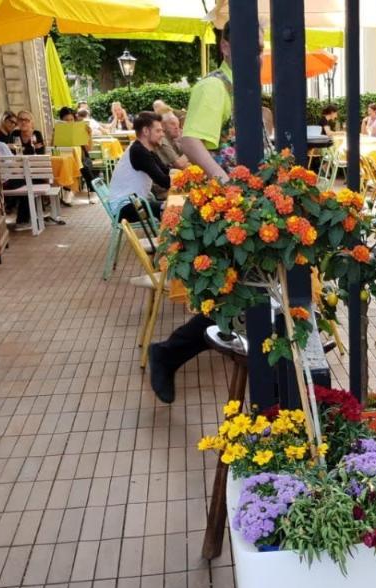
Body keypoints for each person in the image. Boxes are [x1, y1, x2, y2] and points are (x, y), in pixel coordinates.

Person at [149, 22, 261, 404]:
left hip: (241, 205)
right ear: (226, 46)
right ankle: (168, 353)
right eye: (250, 44)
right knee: (239, 292)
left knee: (244, 292)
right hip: (225, 207)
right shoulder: (215, 86)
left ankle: (169, 353)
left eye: (260, 46)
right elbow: (191, 140)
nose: (257, 52)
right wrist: (227, 183)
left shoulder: (241, 86)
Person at [107, 111, 170, 222]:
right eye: (158, 131)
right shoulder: (139, 152)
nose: (162, 134)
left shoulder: (144, 149)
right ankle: (169, 238)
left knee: (172, 206)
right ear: (146, 131)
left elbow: (165, 171)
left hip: (133, 203)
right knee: (172, 209)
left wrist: (182, 176)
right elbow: (164, 182)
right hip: (123, 209)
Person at [56, 106, 97, 197]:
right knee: (69, 165)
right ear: (62, 121)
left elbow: (88, 149)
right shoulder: (58, 131)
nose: (69, 122)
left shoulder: (80, 130)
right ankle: (68, 191)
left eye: (71, 119)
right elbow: (54, 147)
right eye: (66, 120)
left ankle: (91, 191)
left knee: (84, 165)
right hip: (66, 159)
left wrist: (89, 135)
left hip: (82, 158)